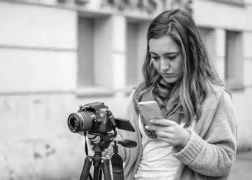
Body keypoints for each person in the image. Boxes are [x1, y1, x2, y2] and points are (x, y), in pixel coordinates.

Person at [99, 9, 237, 180]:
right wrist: (108, 145)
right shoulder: (139, 95)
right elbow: (130, 150)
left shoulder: (215, 99)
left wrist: (186, 141)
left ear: (190, 53)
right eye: (155, 57)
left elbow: (224, 163)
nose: (163, 66)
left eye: (171, 57)